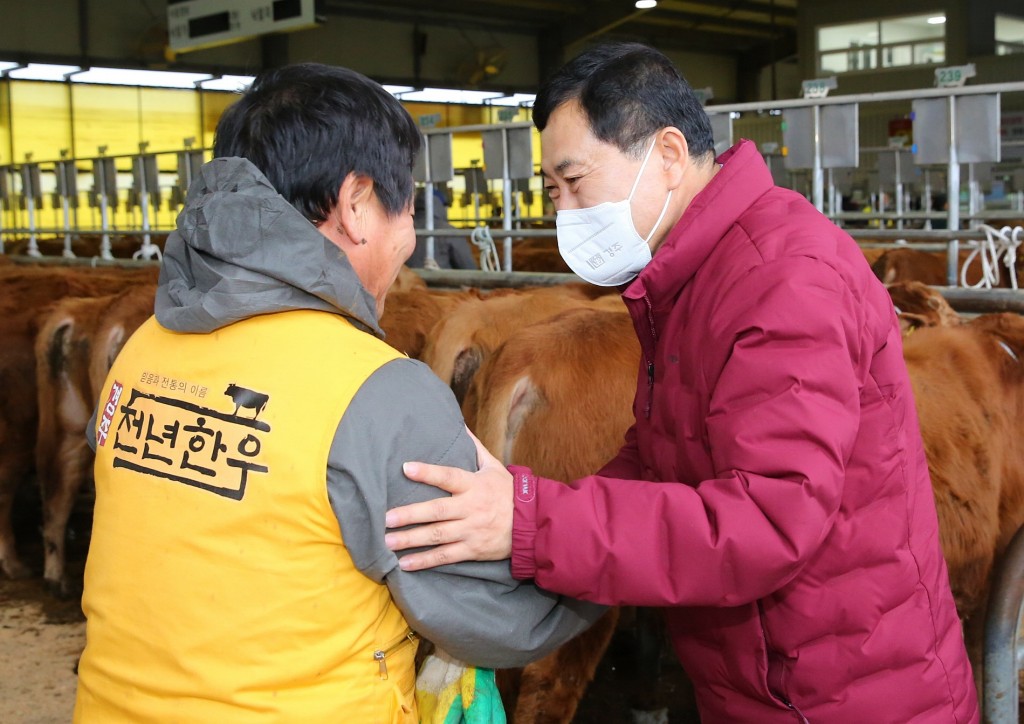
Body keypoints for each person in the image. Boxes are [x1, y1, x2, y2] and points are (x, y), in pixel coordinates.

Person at [384, 43, 980, 722]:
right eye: (553, 192)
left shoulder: (782, 279)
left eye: (576, 182)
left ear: (667, 156)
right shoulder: (694, 279)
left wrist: (533, 524)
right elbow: (663, 451)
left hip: (846, 696)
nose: (565, 213)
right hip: (770, 681)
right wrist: (532, 511)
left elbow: (768, 523)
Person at [73, 63, 604, 722]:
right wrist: (615, 550)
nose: (410, 239)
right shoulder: (371, 389)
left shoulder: (142, 349)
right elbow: (492, 620)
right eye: (406, 205)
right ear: (356, 205)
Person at [407, 186, 477, 269]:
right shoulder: (450, 232)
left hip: (405, 280)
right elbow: (468, 268)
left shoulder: (404, 229)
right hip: (441, 280)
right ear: (441, 206)